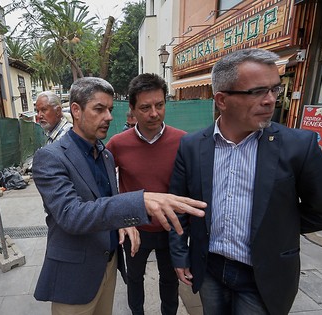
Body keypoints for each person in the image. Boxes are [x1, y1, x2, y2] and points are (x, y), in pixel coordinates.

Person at [168, 48, 322, 315]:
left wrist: (278, 227)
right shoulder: (193, 146)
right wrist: (181, 256)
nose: (270, 100)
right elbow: (179, 208)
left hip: (264, 274)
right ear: (222, 100)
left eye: (275, 90)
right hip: (209, 269)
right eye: (257, 92)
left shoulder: (298, 146)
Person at [32, 77, 207, 315]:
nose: (109, 117)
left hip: (112, 260)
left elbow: (106, 200)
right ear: (76, 110)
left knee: (168, 282)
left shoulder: (103, 154)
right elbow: (70, 214)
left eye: (110, 110)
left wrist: (121, 223)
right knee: (134, 283)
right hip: (77, 273)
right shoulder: (51, 157)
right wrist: (137, 204)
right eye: (99, 109)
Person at [106, 73, 186, 315]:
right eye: (145, 107)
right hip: (134, 228)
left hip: (171, 229)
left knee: (170, 280)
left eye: (159, 105)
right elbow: (103, 182)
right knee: (135, 278)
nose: (154, 113)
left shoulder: (183, 141)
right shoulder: (118, 144)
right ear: (131, 109)